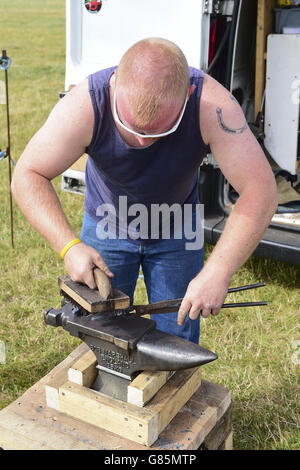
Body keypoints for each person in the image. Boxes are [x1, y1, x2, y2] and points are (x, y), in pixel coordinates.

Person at [11, 38, 277, 344]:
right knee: (100, 331)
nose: (142, 143)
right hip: (106, 225)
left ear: (188, 96)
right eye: (133, 128)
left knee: (177, 336)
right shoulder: (86, 104)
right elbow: (27, 175)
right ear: (115, 88)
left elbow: (261, 191)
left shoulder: (212, 107)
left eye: (158, 132)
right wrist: (69, 246)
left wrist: (218, 271)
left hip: (177, 227)